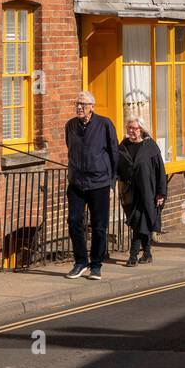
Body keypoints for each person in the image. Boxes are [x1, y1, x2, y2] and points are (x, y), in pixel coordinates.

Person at [64, 91, 118, 280]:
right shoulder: (70, 125)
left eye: (83, 104)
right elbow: (70, 148)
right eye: (77, 104)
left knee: (99, 226)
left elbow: (114, 154)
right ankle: (80, 262)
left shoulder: (105, 124)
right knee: (73, 221)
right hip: (77, 183)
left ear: (92, 107)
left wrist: (112, 183)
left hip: (99, 183)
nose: (79, 107)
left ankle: (96, 265)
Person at [116, 115, 167, 266]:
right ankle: (147, 253)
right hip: (129, 192)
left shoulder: (150, 146)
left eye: (134, 128)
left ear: (141, 129)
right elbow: (118, 166)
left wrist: (161, 193)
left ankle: (133, 256)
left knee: (140, 222)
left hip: (148, 192)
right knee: (139, 223)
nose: (131, 131)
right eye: (129, 128)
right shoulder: (123, 145)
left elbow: (160, 171)